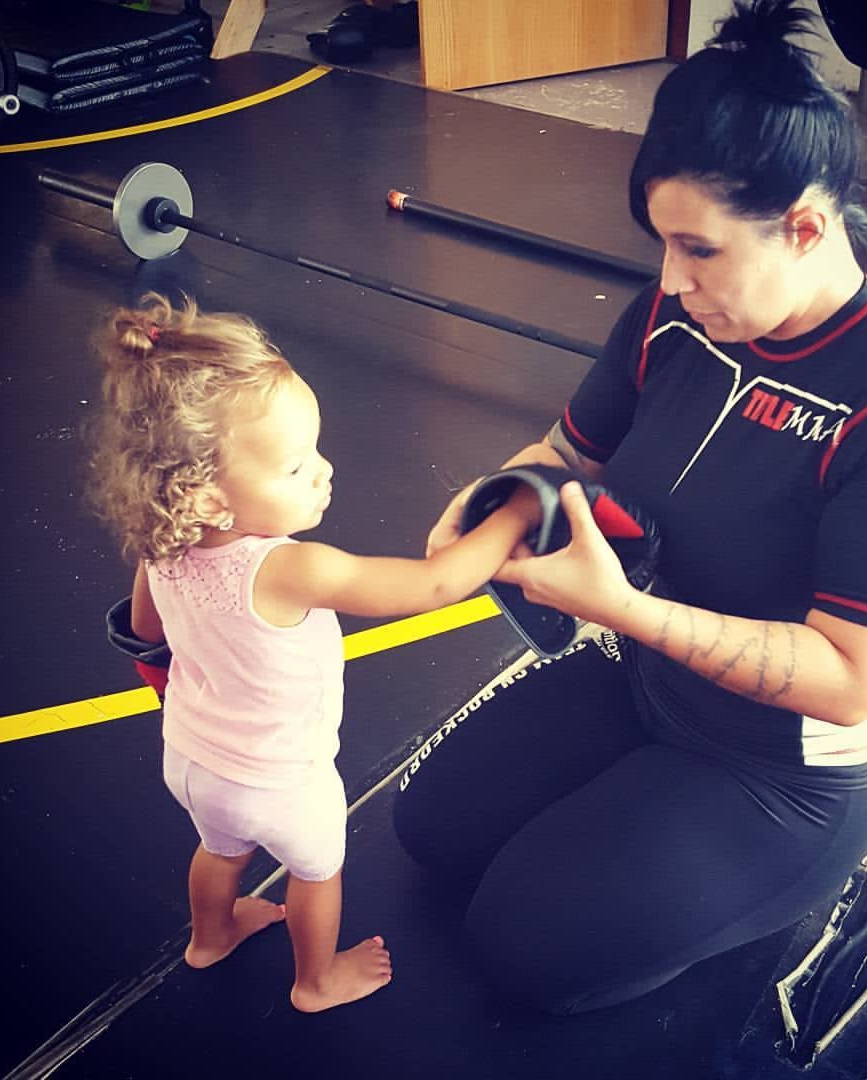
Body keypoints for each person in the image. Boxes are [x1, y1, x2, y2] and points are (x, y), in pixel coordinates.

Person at [392, 0, 867, 1016]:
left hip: (781, 777)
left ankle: (791, 881)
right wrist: (491, 513)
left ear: (806, 226)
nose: (671, 282)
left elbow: (851, 680)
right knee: (431, 830)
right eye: (661, 246)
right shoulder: (669, 320)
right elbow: (562, 454)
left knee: (523, 946)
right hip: (649, 687)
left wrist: (623, 608)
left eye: (700, 250)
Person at [86, 292, 538, 1013]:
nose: (323, 471)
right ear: (208, 499)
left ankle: (211, 936)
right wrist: (519, 507)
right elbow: (436, 582)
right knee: (317, 872)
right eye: (296, 468)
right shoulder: (291, 571)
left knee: (220, 851)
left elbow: (149, 632)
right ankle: (316, 981)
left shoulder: (160, 542)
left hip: (192, 758)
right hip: (283, 781)